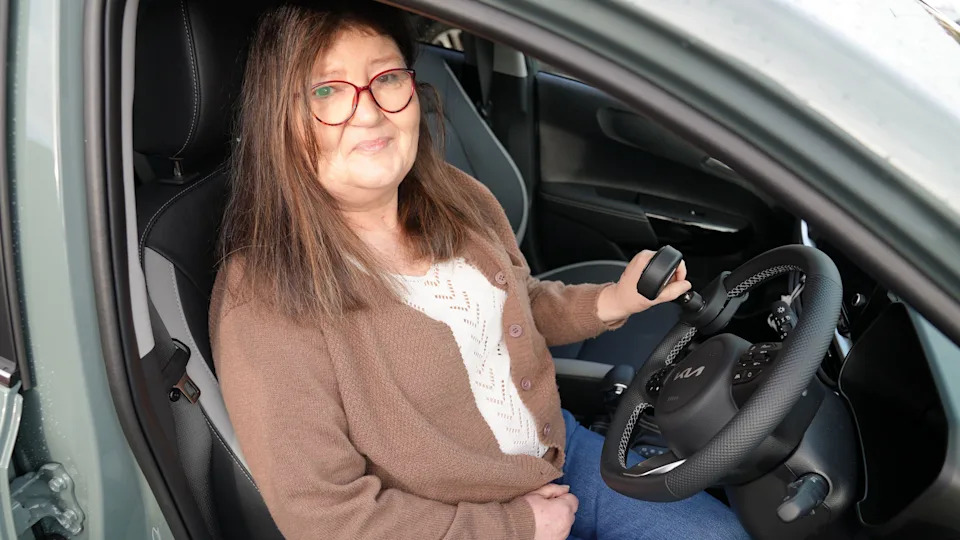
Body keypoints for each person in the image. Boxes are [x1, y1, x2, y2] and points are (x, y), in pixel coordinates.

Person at [210, 2, 750, 539]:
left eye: (387, 78)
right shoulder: (263, 298)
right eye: (327, 90)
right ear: (278, 115)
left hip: (556, 456)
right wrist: (516, 526)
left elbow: (520, 303)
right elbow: (327, 519)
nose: (370, 111)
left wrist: (614, 300)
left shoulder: (455, 196)